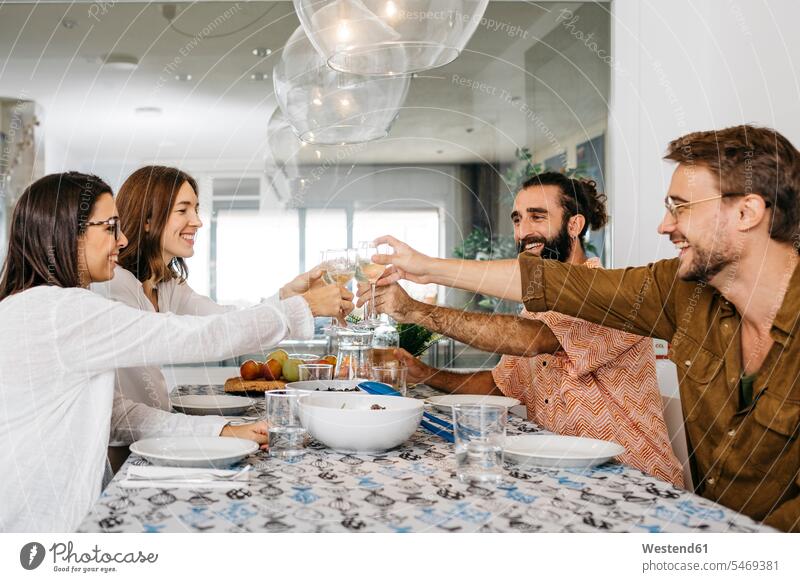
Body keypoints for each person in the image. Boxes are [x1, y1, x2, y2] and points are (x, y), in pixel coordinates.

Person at [373, 125, 800, 532]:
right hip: (642, 511)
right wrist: (424, 275)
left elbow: (536, 339)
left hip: (647, 501)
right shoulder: (680, 293)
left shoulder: (647, 299)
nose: (665, 225)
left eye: (681, 207)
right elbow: (538, 291)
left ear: (747, 212)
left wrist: (419, 308)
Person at [0, 172, 351, 532]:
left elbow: (115, 415)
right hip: (38, 527)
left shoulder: (39, 308)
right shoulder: (64, 312)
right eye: (109, 227)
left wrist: (222, 430)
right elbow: (197, 337)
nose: (121, 240)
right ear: (67, 233)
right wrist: (301, 308)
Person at [359, 172, 683, 487]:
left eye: (537, 217)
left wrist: (416, 310)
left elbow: (534, 339)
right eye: (517, 219)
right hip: (560, 473)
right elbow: (501, 386)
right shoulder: (534, 305)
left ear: (575, 224)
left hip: (631, 477)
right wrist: (423, 373)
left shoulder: (610, 296)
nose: (523, 231)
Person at [91, 166, 343, 470]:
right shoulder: (111, 287)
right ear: (147, 219)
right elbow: (209, 336)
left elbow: (225, 321)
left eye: (196, 209)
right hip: (122, 456)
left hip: (157, 441)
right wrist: (305, 308)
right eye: (183, 210)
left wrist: (288, 295)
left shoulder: (165, 284)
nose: (197, 221)